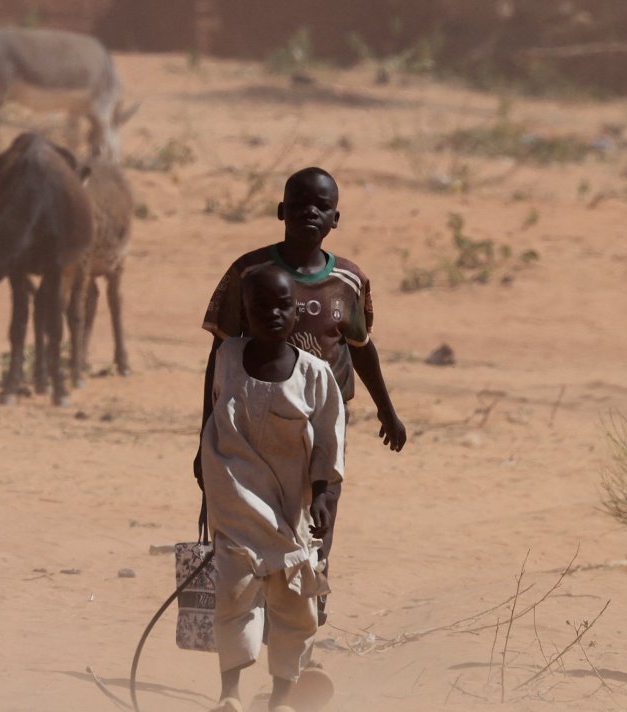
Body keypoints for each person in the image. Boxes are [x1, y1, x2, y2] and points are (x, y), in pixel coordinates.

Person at [196, 167, 408, 625]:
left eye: (321, 206)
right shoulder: (249, 272)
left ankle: (306, 619)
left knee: (319, 516)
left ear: (336, 218)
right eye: (298, 205)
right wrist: (204, 440)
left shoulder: (349, 281)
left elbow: (360, 349)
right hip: (251, 421)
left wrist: (386, 410)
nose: (309, 213)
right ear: (281, 212)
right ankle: (253, 622)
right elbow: (220, 358)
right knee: (252, 516)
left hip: (322, 424)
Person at [199, 266, 343, 712]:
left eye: (283, 305)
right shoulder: (227, 357)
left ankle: (281, 697)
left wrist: (321, 493)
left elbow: (329, 440)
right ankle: (230, 693)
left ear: (296, 311)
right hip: (235, 497)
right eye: (262, 307)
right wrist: (203, 471)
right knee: (233, 595)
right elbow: (213, 418)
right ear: (246, 312)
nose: (274, 314)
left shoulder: (316, 375)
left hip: (287, 507)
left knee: (292, 605)